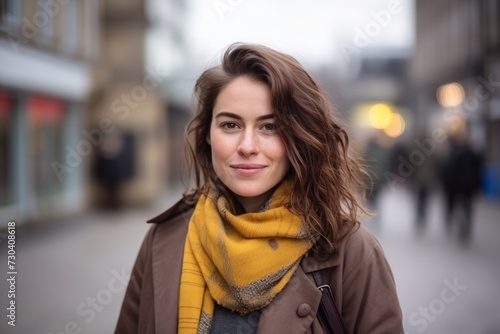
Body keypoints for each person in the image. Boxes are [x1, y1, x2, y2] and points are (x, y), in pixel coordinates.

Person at [115, 43, 403, 333]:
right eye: (230, 125)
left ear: (299, 138)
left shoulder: (352, 254)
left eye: (269, 127)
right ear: (207, 135)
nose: (248, 147)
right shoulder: (164, 241)